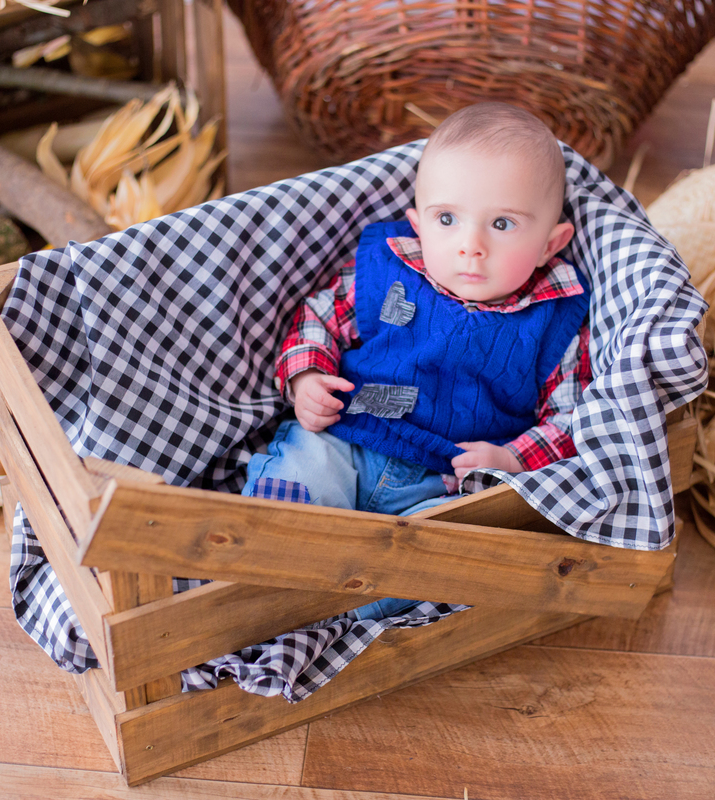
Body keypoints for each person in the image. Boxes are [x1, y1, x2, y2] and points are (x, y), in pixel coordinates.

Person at [242, 102, 591, 619]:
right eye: (447, 219)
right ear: (419, 225)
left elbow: (572, 418)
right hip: (349, 439)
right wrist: (308, 376)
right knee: (301, 480)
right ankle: (265, 579)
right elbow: (319, 315)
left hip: (443, 486)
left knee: (449, 551)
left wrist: (515, 459)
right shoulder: (391, 267)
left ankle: (346, 610)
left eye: (502, 223)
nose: (471, 246)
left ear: (550, 243)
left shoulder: (555, 318)